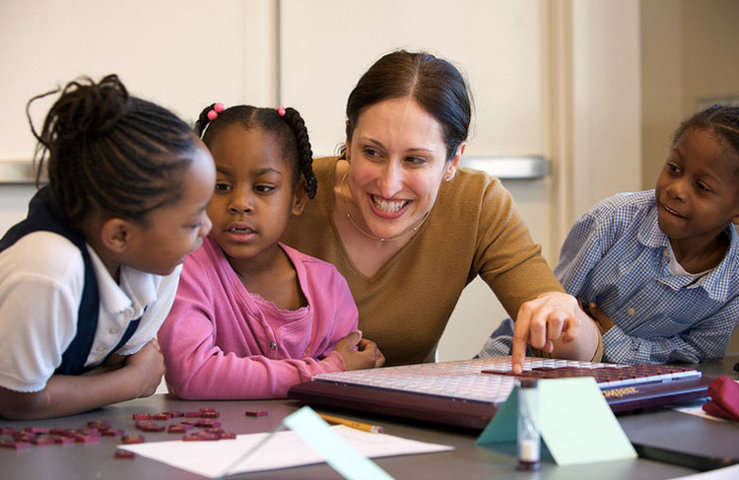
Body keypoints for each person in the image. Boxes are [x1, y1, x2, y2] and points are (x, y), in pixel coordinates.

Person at [280, 50, 602, 373]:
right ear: (349, 140)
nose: (389, 185)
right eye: (372, 152)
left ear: (454, 160)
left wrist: (567, 317)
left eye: (415, 160)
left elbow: (575, 349)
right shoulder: (291, 193)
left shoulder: (476, 204)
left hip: (403, 416)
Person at [0, 75, 215, 419]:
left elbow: (122, 360)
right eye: (191, 221)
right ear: (118, 235)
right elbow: (16, 400)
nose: (208, 227)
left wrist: (110, 378)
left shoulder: (163, 263)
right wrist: (132, 383)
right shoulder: (50, 268)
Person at [158, 103, 385, 400]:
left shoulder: (328, 286)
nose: (240, 202)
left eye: (263, 188)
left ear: (298, 197)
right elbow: (193, 374)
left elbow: (345, 382)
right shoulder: (187, 269)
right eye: (221, 185)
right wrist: (323, 371)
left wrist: (342, 368)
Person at [480, 105, 739, 364]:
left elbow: (698, 353)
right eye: (673, 168)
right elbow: (554, 310)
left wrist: (614, 341)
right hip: (525, 361)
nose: (676, 189)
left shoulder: (733, 279)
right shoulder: (612, 220)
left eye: (702, 187)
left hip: (630, 389)